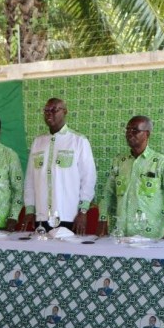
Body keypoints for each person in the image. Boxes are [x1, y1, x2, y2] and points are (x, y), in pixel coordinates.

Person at [97, 116, 164, 239]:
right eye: (127, 130)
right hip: (121, 235)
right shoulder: (119, 162)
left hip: (151, 237)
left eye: (135, 130)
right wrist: (102, 219)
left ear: (147, 134)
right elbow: (107, 194)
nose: (129, 134)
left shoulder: (159, 162)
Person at [23, 98, 96, 234]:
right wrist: (30, 209)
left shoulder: (78, 141)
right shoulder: (38, 142)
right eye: (46, 110)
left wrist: (83, 211)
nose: (49, 113)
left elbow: (89, 179)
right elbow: (30, 180)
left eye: (54, 110)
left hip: (69, 216)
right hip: (41, 217)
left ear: (65, 112)